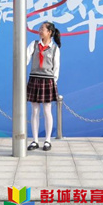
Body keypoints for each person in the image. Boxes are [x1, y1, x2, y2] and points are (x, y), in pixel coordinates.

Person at [26, 21, 61, 152]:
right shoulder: (34, 44)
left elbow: (56, 67)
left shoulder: (55, 48)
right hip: (34, 78)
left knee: (47, 111)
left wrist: (53, 82)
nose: (40, 31)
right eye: (40, 28)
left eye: (42, 29)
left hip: (47, 80)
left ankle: (47, 140)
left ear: (49, 32)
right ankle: (35, 140)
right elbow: (25, 59)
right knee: (34, 111)